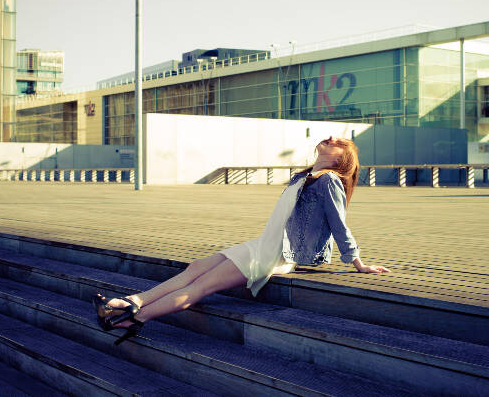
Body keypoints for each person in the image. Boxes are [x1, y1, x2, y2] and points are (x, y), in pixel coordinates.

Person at [93, 136, 390, 345]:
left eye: (339, 142)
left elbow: (339, 224)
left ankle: (135, 318)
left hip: (277, 254)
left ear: (342, 158)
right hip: (262, 243)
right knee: (196, 267)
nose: (330, 138)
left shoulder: (330, 181)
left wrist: (358, 262)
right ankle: (131, 301)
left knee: (201, 286)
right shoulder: (304, 176)